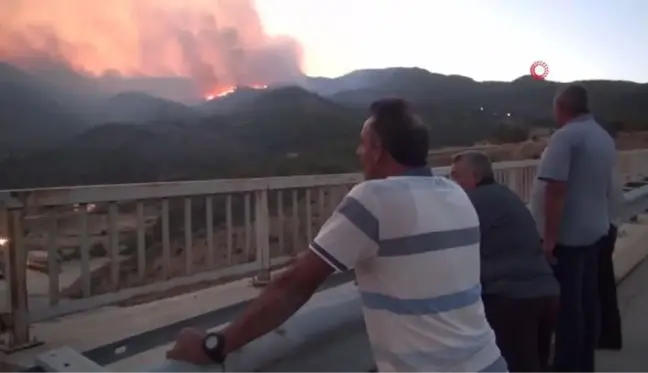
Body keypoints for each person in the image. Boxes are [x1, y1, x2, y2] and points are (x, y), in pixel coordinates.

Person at [164, 98, 506, 373]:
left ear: (378, 150)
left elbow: (294, 285)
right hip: (489, 361)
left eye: (362, 144)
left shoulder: (373, 198)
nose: (358, 153)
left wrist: (216, 345)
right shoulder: (456, 194)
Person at [529, 84, 616, 373]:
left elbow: (556, 188)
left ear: (561, 107)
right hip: (595, 231)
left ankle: (566, 365)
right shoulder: (603, 137)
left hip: (568, 238)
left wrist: (549, 239)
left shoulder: (566, 138)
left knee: (567, 309)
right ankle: (584, 363)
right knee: (587, 302)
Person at [451, 150, 559, 373]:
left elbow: (452, 249)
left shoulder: (470, 203)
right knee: (536, 364)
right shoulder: (507, 196)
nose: (452, 183)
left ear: (475, 176)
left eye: (456, 176)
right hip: (546, 291)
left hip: (511, 298)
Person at [597, 170, 625, 350]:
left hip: (601, 229)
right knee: (604, 283)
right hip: (609, 226)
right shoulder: (608, 167)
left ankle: (605, 334)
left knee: (599, 284)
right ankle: (610, 334)